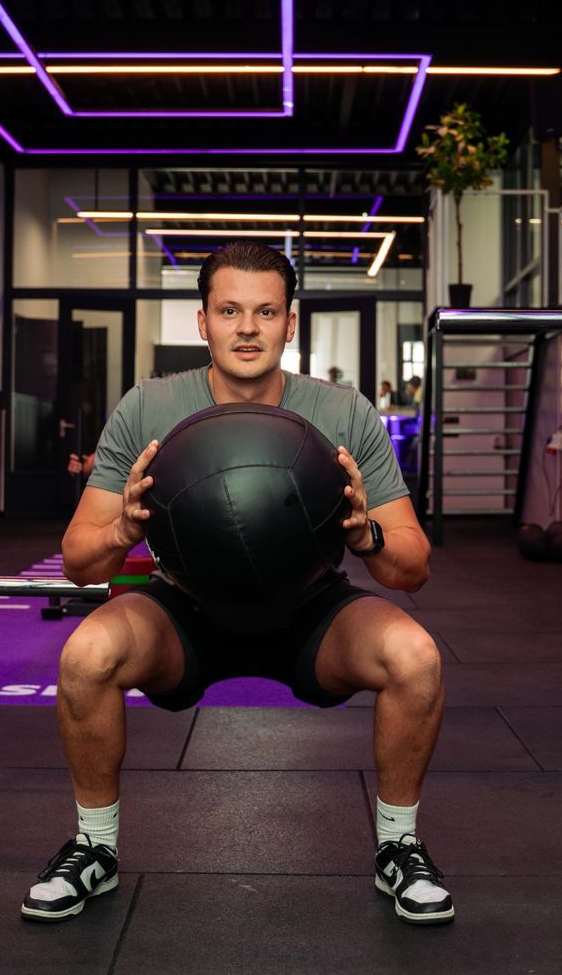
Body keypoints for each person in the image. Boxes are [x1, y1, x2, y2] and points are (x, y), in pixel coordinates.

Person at [25, 241, 449, 925]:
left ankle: (399, 848)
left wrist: (364, 534)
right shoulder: (148, 408)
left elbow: (414, 566)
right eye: (229, 310)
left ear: (290, 323)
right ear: (203, 322)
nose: (247, 327)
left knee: (416, 657)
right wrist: (122, 532)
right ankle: (94, 849)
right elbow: (79, 560)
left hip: (309, 608)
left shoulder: (343, 414)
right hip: (186, 608)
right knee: (85, 656)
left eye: (265, 312)